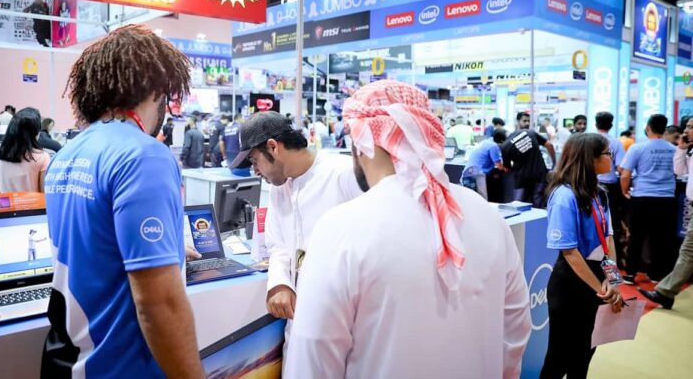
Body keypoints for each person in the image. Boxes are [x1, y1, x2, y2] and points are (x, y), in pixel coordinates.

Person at [284, 80, 530, 378]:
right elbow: (516, 330)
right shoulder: (489, 218)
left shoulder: (340, 228)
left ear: (362, 141)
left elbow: (312, 357)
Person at [42, 25, 203, 377]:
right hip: (121, 366)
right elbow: (159, 304)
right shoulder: (144, 156)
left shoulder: (67, 154)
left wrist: (168, 248)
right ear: (157, 89)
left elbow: (94, 245)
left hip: (69, 358)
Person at [230, 112, 364, 326]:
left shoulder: (343, 173)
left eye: (255, 161)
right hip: (300, 315)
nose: (255, 171)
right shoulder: (279, 188)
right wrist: (279, 283)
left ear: (273, 147)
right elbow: (278, 245)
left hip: (347, 313)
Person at [540, 133, 623, 379]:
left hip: (597, 277)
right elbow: (570, 252)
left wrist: (612, 279)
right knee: (558, 356)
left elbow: (608, 239)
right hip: (571, 282)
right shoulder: (564, 196)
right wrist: (602, 289)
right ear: (590, 159)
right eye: (607, 153)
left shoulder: (600, 193)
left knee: (585, 352)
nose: (611, 158)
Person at [639, 116, 693, 309]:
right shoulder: (687, 150)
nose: (686, 130)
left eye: (690, 127)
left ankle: (665, 292)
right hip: (691, 205)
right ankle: (665, 292)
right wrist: (681, 149)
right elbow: (679, 171)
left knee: (688, 251)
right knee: (688, 251)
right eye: (686, 126)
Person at [620, 114, 677, 284]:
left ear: (647, 128)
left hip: (642, 197)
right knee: (660, 238)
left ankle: (630, 274)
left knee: (636, 237)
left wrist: (625, 191)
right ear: (664, 129)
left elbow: (625, 174)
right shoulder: (673, 149)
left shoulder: (637, 148)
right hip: (666, 198)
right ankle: (656, 274)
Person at [594, 112, 627, 268]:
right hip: (610, 188)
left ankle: (604, 263)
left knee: (600, 224)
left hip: (595, 185)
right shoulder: (616, 143)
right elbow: (621, 167)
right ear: (612, 125)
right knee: (610, 225)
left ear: (596, 124)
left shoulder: (590, 140)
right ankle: (613, 263)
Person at [503, 112, 557, 208]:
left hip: (521, 178)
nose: (527, 123)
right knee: (538, 206)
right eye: (524, 121)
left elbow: (507, 168)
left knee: (518, 206)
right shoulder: (531, 133)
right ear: (518, 121)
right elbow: (549, 145)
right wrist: (554, 163)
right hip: (539, 174)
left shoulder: (506, 145)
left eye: (528, 121)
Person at [0, 107, 50, 193]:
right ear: (36, 132)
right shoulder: (42, 157)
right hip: (34, 202)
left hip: (6, 202)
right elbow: (44, 194)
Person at [461, 129, 507, 200]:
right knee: (481, 200)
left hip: (468, 173)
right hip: (477, 175)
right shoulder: (493, 146)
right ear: (502, 140)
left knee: (470, 200)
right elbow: (499, 166)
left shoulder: (485, 142)